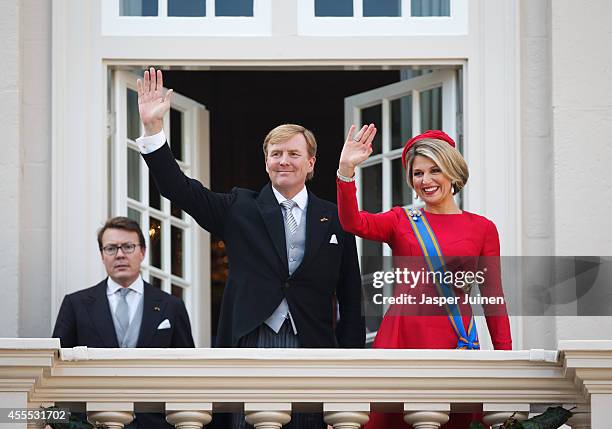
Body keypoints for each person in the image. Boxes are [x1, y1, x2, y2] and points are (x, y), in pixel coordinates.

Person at [136, 68, 365, 429]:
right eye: (276, 153)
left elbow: (351, 297)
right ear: (266, 162)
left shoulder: (334, 217)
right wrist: (153, 130)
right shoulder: (238, 207)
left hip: (314, 347)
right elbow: (178, 188)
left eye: (293, 153)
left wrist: (350, 373)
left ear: (311, 164)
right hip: (250, 343)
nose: (284, 160)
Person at [337, 125, 512, 429]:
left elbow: (493, 298)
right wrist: (346, 171)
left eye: (435, 170)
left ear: (453, 172)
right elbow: (353, 222)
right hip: (402, 338)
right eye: (418, 174)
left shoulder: (482, 228)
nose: (426, 180)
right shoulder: (400, 220)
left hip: (456, 341)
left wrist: (506, 363)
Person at [53, 216, 195, 429]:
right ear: (102, 255)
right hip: (93, 422)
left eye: (128, 247)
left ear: (143, 252)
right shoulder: (76, 304)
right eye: (111, 248)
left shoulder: (171, 306)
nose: (119, 255)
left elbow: (187, 371)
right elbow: (56, 370)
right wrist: (55, 422)